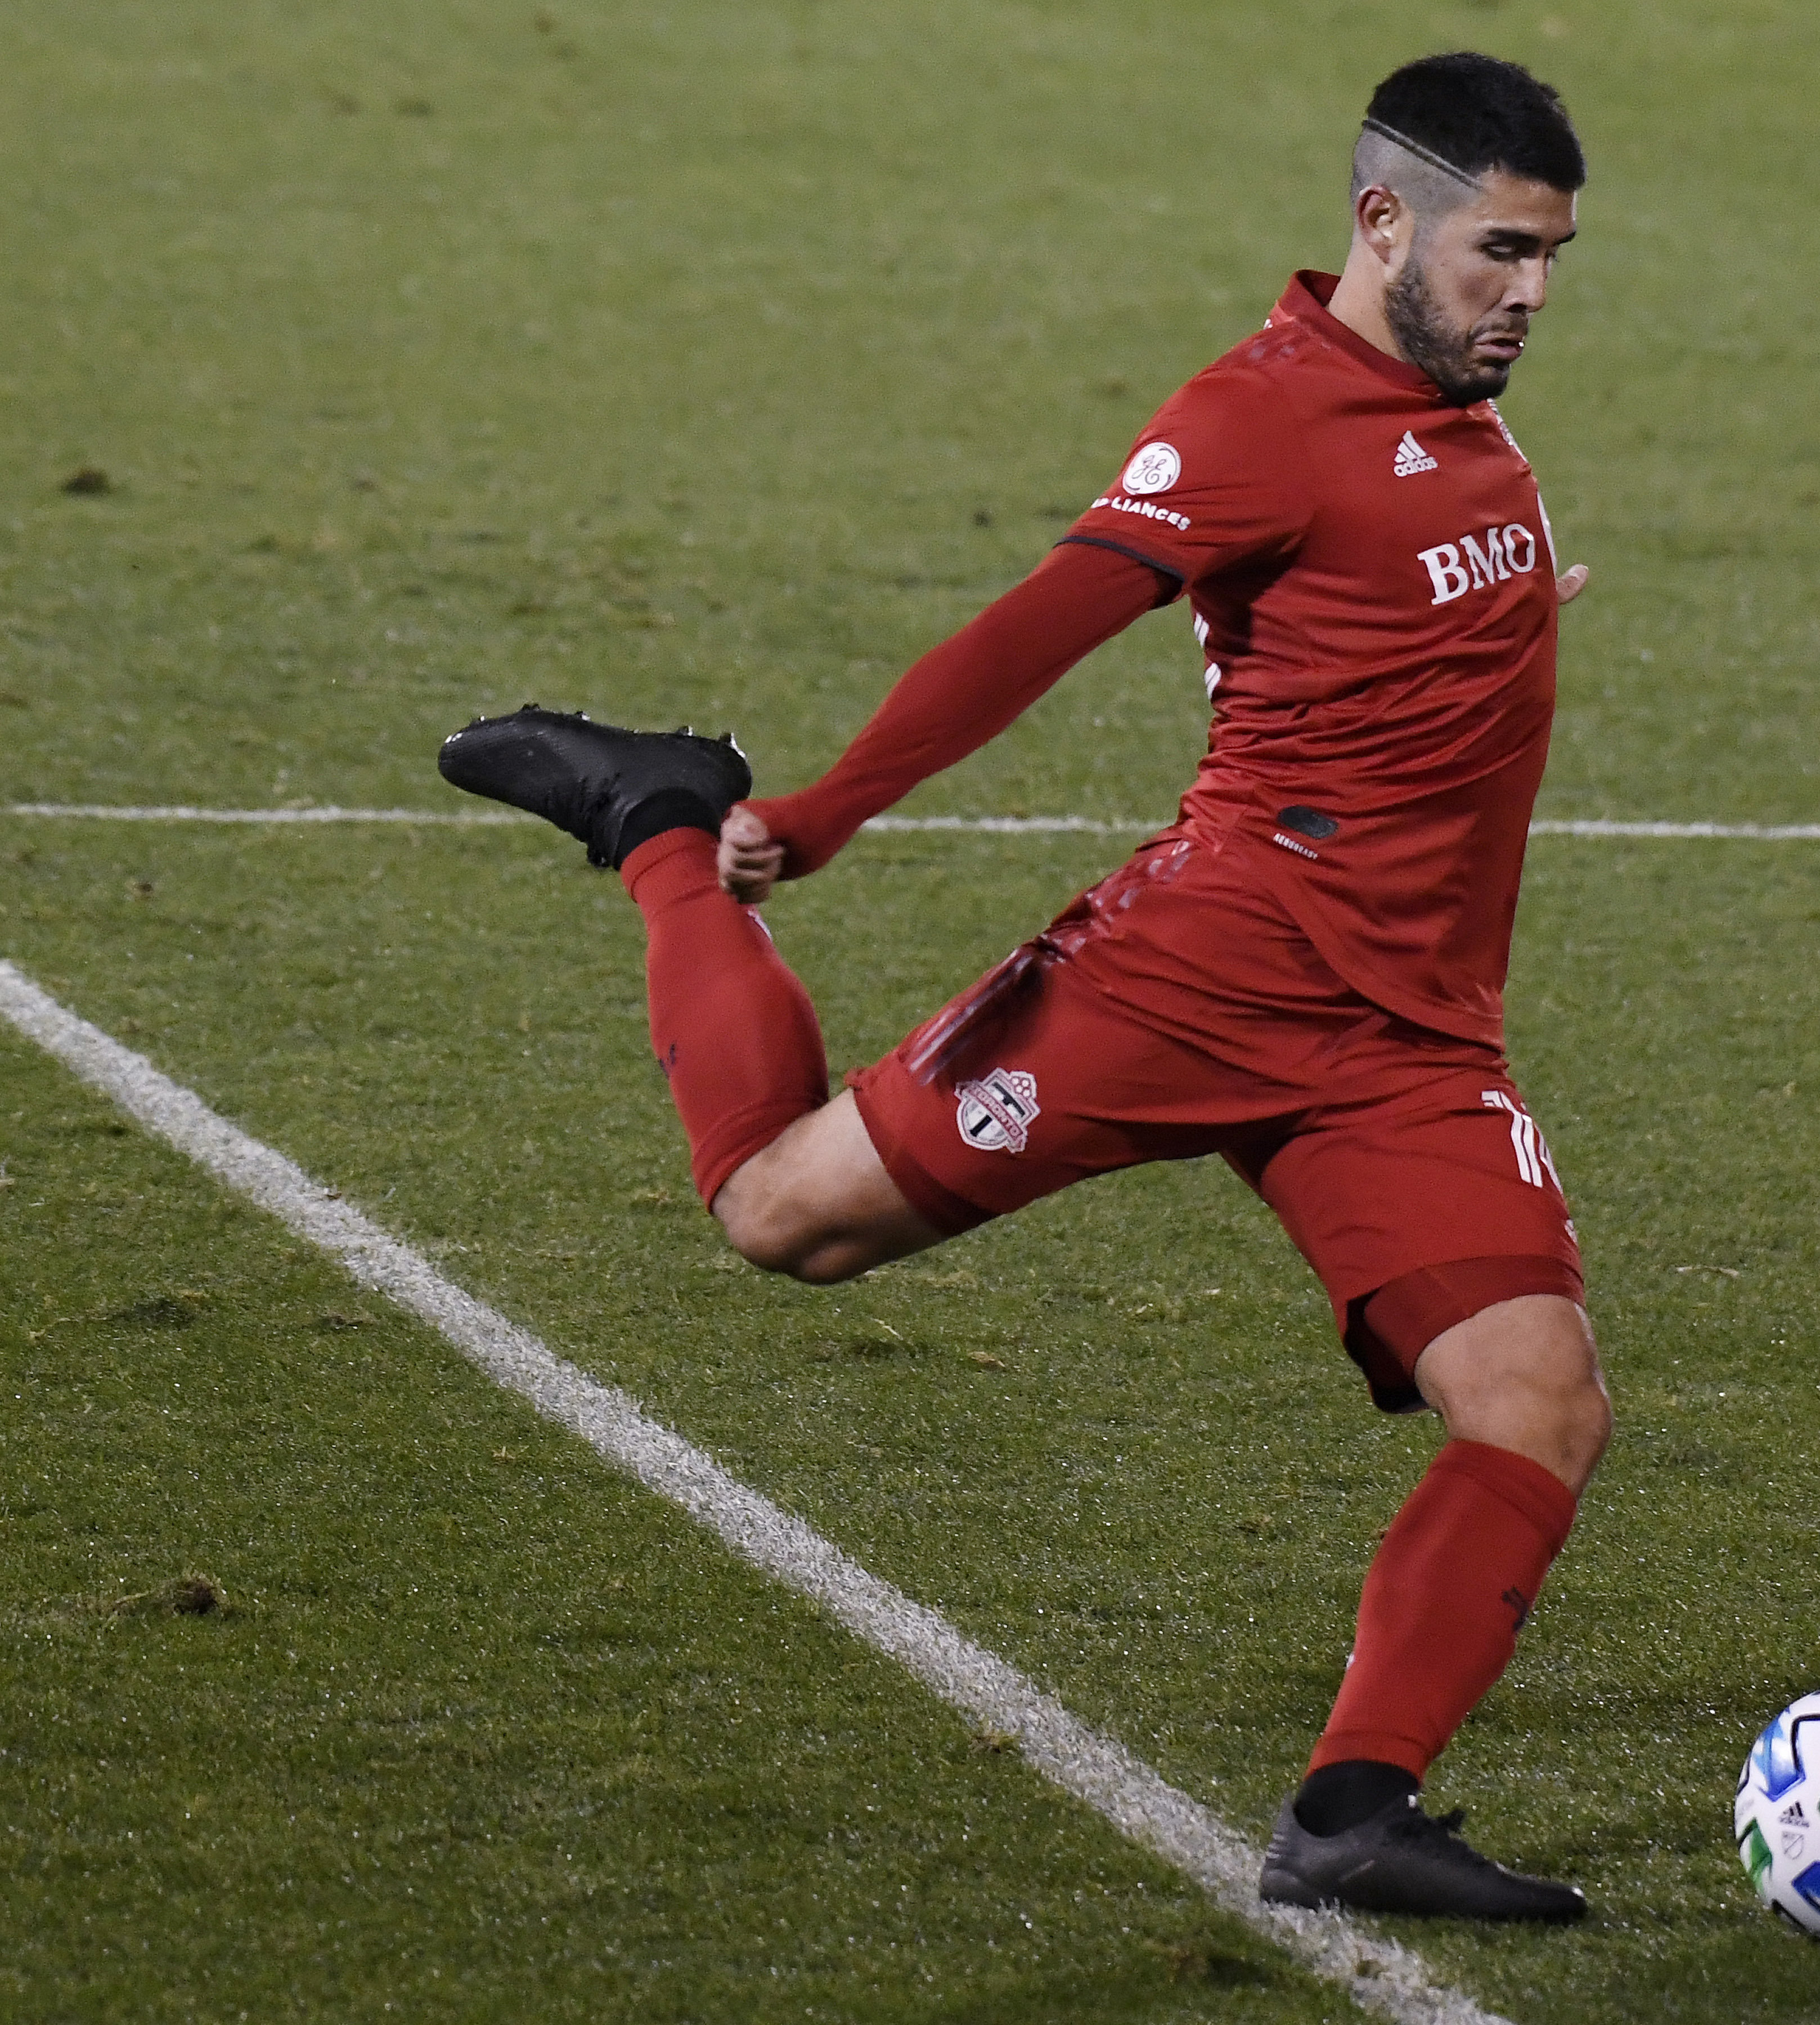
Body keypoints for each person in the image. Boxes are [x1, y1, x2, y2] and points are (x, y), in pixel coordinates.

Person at [439, 52, 1606, 1922]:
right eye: (1499, 253)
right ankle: (658, 819)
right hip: (1206, 967)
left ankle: (1353, 1816)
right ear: (1383, 221)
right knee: (783, 1217)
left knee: (1537, 1401)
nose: (1530, 296)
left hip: (1402, 1039)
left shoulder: (1462, 421)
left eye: (1553, 258)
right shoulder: (1257, 416)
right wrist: (809, 817)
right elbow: (1029, 633)